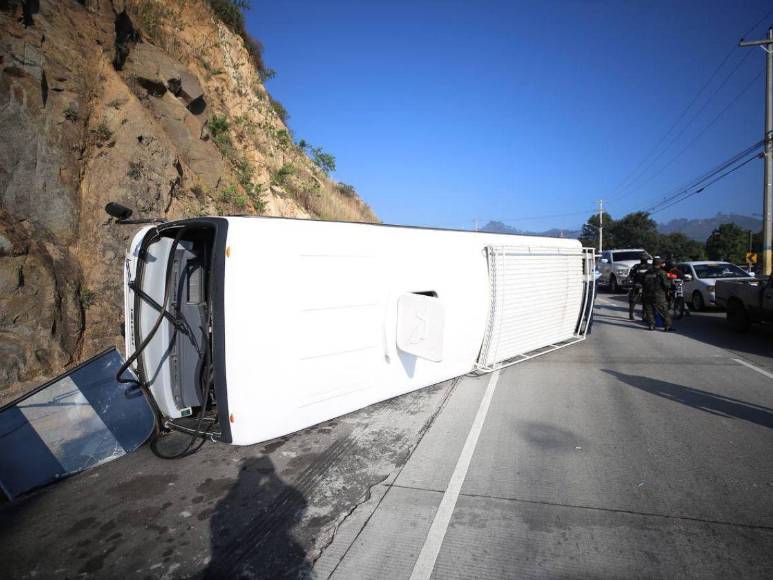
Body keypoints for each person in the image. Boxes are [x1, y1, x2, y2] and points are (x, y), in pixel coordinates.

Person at [642, 257, 673, 331]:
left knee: (650, 311)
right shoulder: (661, 272)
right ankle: (667, 326)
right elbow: (666, 285)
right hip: (658, 295)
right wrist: (670, 283)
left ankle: (651, 326)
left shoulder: (647, 272)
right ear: (660, 264)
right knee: (663, 311)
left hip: (647, 295)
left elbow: (643, 283)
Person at [628, 253, 652, 321]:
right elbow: (631, 275)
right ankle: (631, 314)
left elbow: (653, 276)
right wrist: (632, 283)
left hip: (647, 285)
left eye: (644, 258)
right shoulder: (636, 266)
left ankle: (644, 316)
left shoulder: (650, 267)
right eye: (642, 258)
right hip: (637, 285)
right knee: (633, 300)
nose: (643, 260)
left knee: (646, 301)